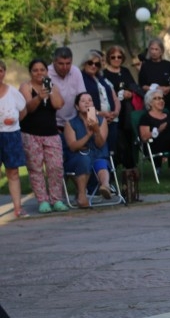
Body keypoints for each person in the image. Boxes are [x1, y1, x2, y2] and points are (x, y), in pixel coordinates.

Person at [20, 58, 68, 214]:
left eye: (42, 70)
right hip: (31, 134)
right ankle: (43, 201)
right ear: (30, 72)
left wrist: (50, 89)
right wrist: (39, 97)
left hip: (51, 133)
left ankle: (57, 199)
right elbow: (28, 108)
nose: (39, 73)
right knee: (35, 169)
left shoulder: (52, 86)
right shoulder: (26, 86)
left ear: (47, 72)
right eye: (35, 70)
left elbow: (58, 105)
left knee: (56, 167)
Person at [63, 92, 112, 207]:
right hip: (78, 157)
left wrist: (96, 130)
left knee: (101, 163)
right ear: (77, 106)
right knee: (84, 160)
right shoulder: (70, 124)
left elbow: (100, 144)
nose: (87, 103)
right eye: (83, 101)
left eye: (90, 100)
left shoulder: (101, 121)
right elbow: (73, 146)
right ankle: (82, 195)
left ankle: (105, 186)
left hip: (97, 154)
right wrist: (88, 135)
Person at [102, 45, 142, 169]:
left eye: (119, 57)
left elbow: (133, 87)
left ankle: (130, 169)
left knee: (129, 138)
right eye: (113, 57)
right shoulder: (104, 74)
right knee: (117, 139)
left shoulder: (125, 71)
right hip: (112, 111)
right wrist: (118, 95)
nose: (116, 59)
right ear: (108, 58)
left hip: (127, 111)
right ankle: (117, 165)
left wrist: (129, 93)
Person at [0, 60, 29, 217]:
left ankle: (18, 208)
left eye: (0, 70)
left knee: (13, 172)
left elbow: (23, 111)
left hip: (11, 135)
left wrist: (14, 121)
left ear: (4, 72)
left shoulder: (12, 92)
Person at [80, 50, 120, 155]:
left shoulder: (102, 78)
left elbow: (115, 98)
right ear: (85, 63)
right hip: (92, 117)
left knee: (112, 149)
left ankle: (111, 164)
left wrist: (115, 112)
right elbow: (83, 103)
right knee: (99, 147)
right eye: (90, 63)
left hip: (111, 118)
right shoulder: (80, 78)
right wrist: (100, 114)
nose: (93, 66)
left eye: (97, 64)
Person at [138, 38, 170, 118]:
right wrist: (155, 89)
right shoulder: (145, 66)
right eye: (152, 49)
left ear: (161, 51)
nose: (153, 52)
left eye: (156, 49)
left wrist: (168, 88)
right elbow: (142, 85)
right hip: (153, 104)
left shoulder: (168, 65)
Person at [48, 46, 86, 128]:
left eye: (68, 63)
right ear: (54, 61)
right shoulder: (46, 74)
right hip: (52, 123)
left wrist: (91, 120)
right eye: (61, 64)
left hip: (74, 121)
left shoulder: (76, 71)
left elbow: (83, 97)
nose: (65, 67)